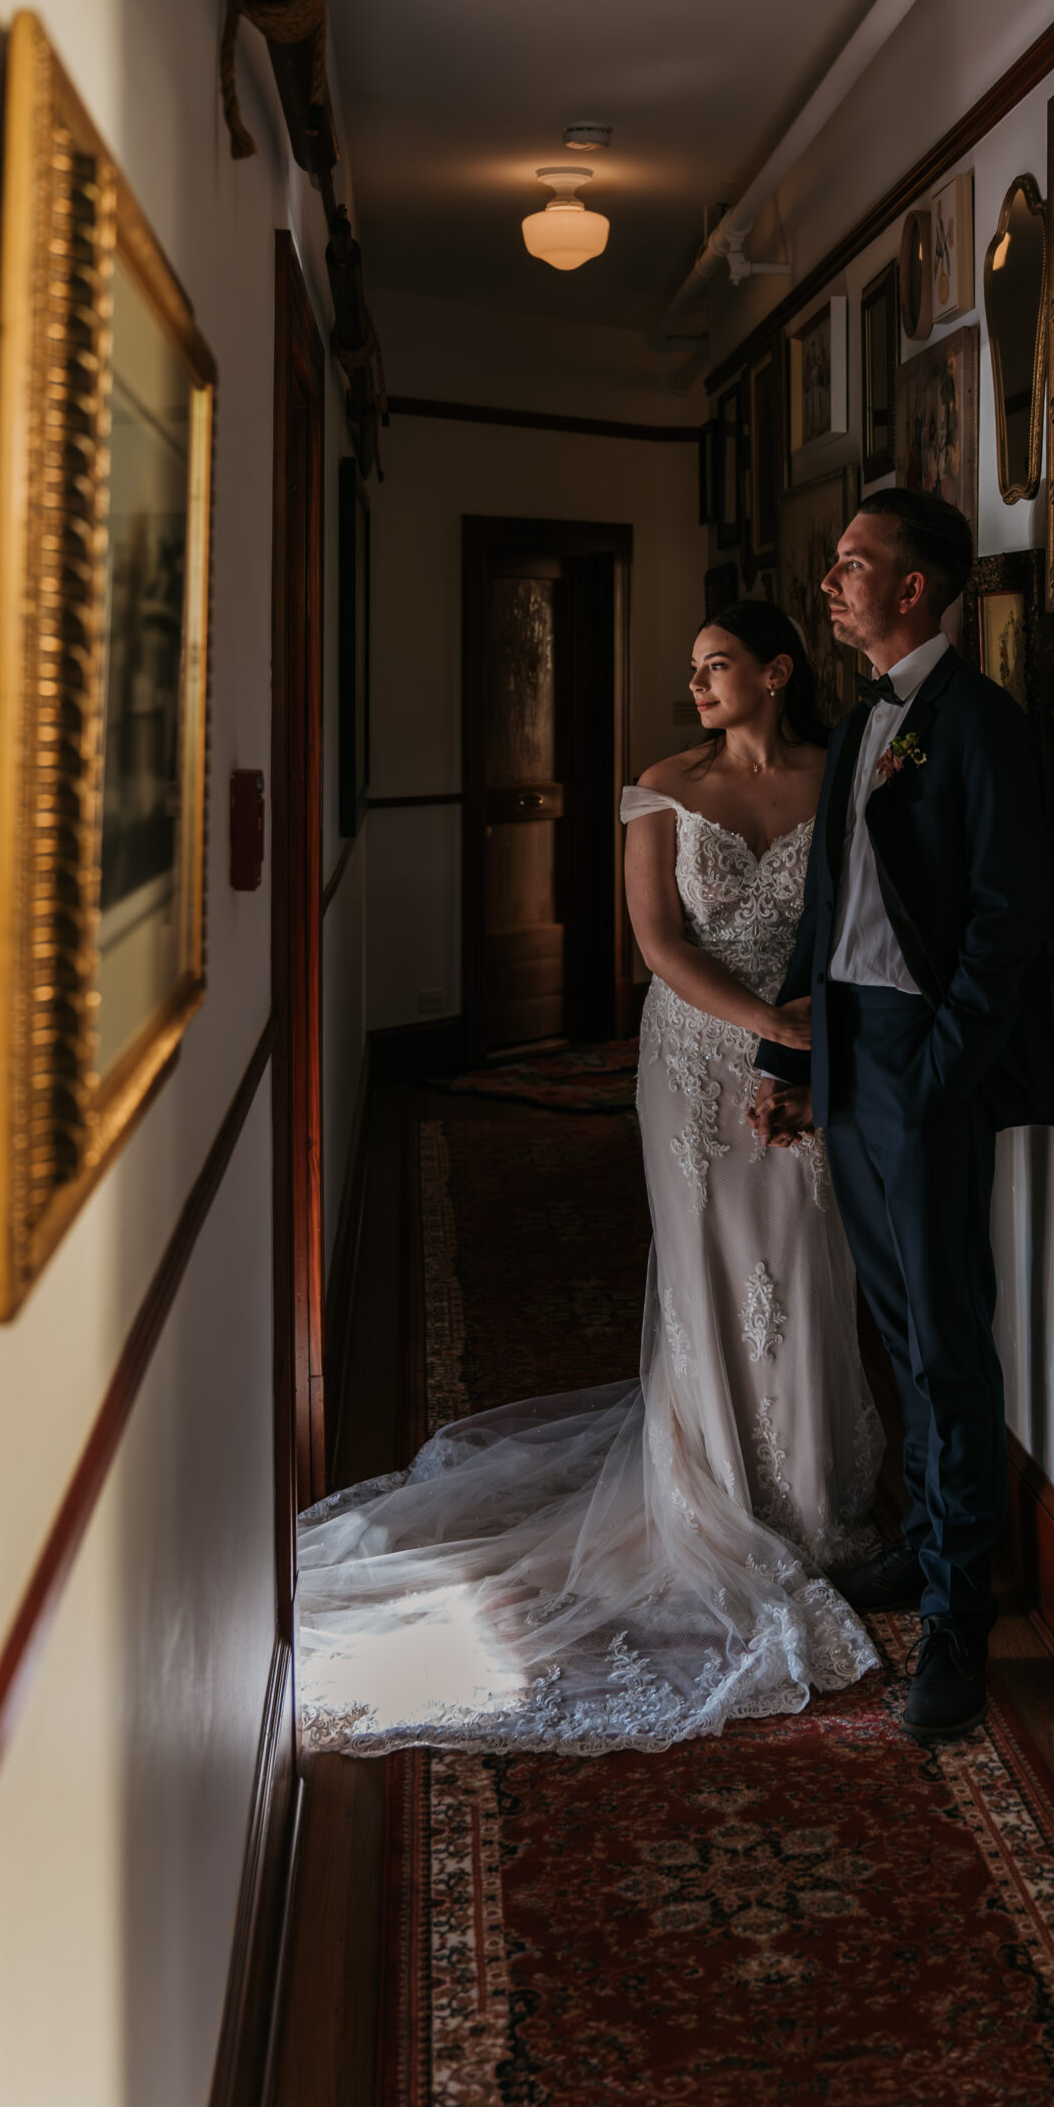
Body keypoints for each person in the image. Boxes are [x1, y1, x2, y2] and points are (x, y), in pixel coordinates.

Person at [295, 601, 885, 1759]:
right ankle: (713, 1491)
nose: (700, 684)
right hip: (695, 1060)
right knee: (712, 1266)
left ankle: (814, 1502)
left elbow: (852, 919)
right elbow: (659, 944)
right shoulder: (663, 785)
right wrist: (767, 1020)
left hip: (807, 1055)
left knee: (808, 1256)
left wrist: (807, 1039)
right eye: (693, 668)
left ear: (778, 671)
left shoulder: (839, 774)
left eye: (719, 665)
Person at [751, 489, 1054, 1743]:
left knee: (947, 1345)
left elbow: (1004, 921)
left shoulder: (979, 727)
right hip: (854, 1055)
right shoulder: (863, 720)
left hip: (926, 1066)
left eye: (852, 565)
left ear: (915, 588)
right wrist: (799, 1056)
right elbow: (832, 905)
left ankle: (957, 1624)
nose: (831, 583)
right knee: (898, 1326)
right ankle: (923, 1546)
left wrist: (932, 1075)